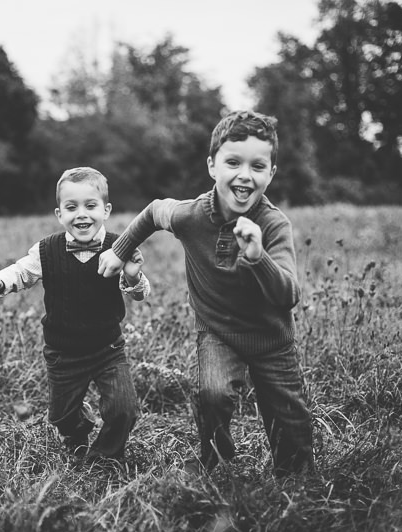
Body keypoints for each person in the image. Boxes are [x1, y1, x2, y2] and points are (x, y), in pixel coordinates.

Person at [98, 110, 314, 477]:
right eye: (233, 162)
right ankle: (216, 464)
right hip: (216, 332)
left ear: (271, 174)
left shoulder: (274, 225)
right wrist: (119, 251)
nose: (245, 175)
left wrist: (258, 256)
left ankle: (296, 479)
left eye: (258, 166)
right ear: (213, 166)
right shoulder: (191, 215)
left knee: (290, 417)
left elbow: (288, 295)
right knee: (212, 394)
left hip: (271, 339)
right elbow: (152, 212)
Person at [0, 166, 150, 462]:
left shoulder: (118, 247)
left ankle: (103, 458)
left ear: (106, 210)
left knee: (124, 408)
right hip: (63, 352)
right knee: (61, 416)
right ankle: (79, 429)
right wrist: (0, 281)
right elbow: (22, 272)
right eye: (71, 207)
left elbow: (139, 294)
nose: (81, 214)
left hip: (107, 348)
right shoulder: (47, 250)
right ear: (59, 214)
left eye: (90, 206)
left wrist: (133, 276)